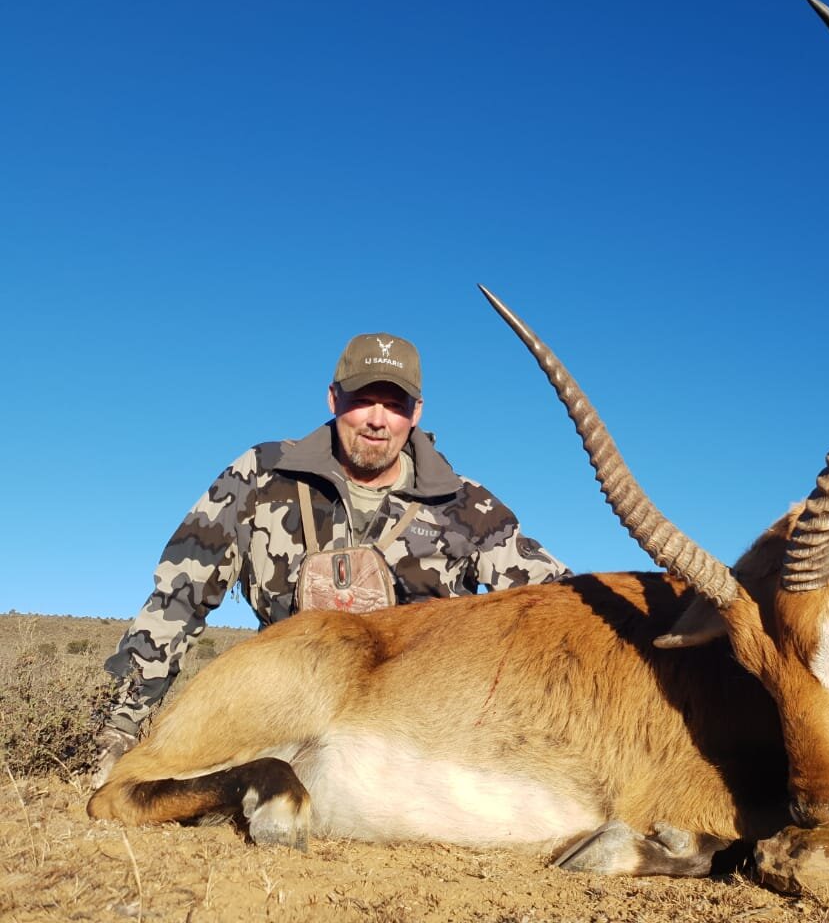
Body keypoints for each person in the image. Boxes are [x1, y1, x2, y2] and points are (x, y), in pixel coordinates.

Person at [92, 332, 569, 785]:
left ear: (416, 412)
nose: (377, 420)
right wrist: (119, 728)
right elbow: (180, 597)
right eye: (363, 400)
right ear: (333, 400)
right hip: (287, 708)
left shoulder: (469, 506)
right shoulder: (261, 473)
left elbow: (560, 604)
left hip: (420, 731)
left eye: (395, 404)